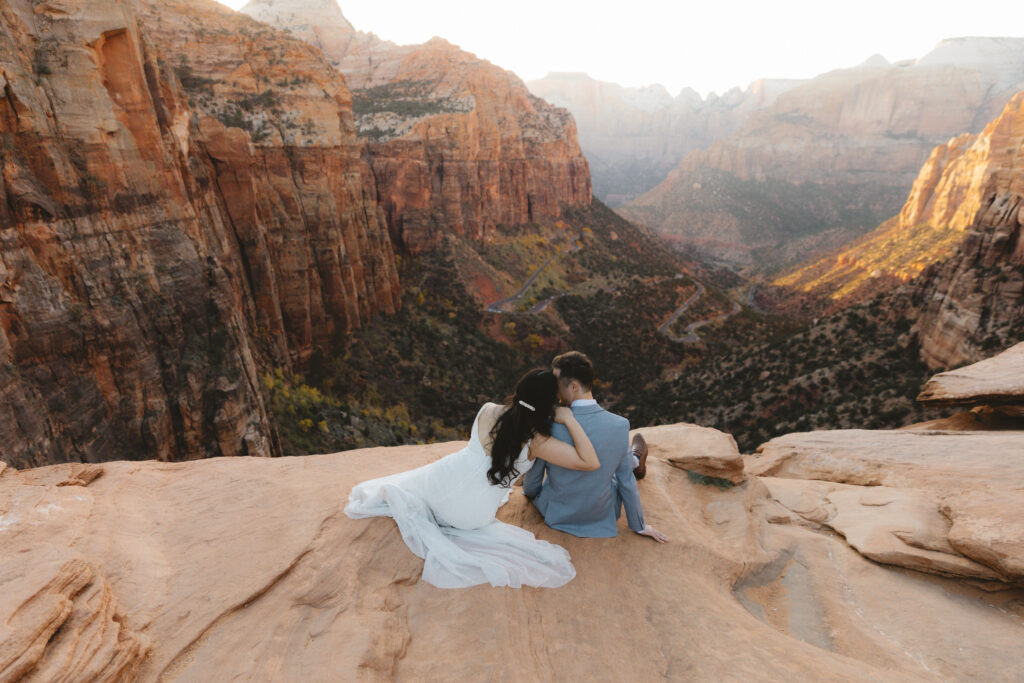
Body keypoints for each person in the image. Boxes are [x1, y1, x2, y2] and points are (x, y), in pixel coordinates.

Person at [344, 369, 600, 589]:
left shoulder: (487, 410)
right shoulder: (539, 441)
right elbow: (590, 462)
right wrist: (568, 419)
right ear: (548, 405)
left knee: (399, 485)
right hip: (469, 517)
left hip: (438, 483)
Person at [523, 351, 668, 543]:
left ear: (573, 386)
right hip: (600, 515)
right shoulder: (619, 425)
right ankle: (635, 460)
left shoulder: (549, 425)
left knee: (612, 463)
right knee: (618, 468)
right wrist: (638, 525)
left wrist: (530, 493)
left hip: (556, 512)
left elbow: (533, 480)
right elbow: (626, 482)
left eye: (556, 384)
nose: (554, 391)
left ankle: (633, 459)